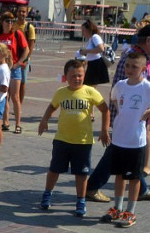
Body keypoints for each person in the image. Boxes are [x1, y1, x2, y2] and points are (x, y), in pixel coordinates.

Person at [85, 23, 150, 203]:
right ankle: (93, 186)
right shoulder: (135, 59)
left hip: (127, 112)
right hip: (127, 113)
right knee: (117, 152)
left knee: (125, 151)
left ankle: (141, 188)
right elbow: (128, 89)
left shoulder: (138, 56)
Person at [101, 51, 150, 228]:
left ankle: (131, 211)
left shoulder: (147, 87)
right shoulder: (120, 85)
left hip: (136, 141)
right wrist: (121, 113)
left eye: (134, 67)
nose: (129, 69)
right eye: (127, 65)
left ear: (143, 69)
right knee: (119, 176)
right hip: (119, 138)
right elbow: (113, 99)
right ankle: (117, 208)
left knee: (134, 178)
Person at [37, 59, 110, 217]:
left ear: (84, 75)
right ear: (65, 77)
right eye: (72, 76)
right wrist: (44, 121)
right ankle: (47, 194)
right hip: (62, 139)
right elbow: (52, 106)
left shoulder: (91, 92)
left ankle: (81, 200)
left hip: (82, 141)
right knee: (54, 170)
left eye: (80, 75)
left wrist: (104, 130)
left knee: (81, 173)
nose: (76, 79)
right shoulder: (61, 92)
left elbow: (105, 109)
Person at [0, 13, 29, 133]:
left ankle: (18, 124)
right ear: (2, 22)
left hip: (14, 69)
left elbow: (26, 49)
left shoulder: (16, 33)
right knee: (4, 95)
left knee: (15, 96)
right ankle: (6, 122)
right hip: (2, 68)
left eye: (11, 21)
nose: (9, 23)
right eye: (7, 20)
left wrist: (19, 63)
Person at [4, 6, 36, 133]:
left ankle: (19, 110)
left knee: (21, 85)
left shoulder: (29, 27)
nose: (22, 14)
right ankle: (6, 120)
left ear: (27, 13)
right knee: (8, 93)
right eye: (20, 11)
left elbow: (30, 44)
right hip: (11, 63)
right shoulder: (15, 26)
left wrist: (26, 59)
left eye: (24, 12)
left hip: (21, 61)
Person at [76, 19, 109, 93]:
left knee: (89, 88)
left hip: (96, 64)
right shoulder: (90, 39)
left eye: (83, 30)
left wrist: (86, 51)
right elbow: (93, 53)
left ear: (89, 30)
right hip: (92, 64)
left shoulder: (95, 37)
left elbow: (101, 49)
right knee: (89, 87)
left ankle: (90, 102)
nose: (82, 33)